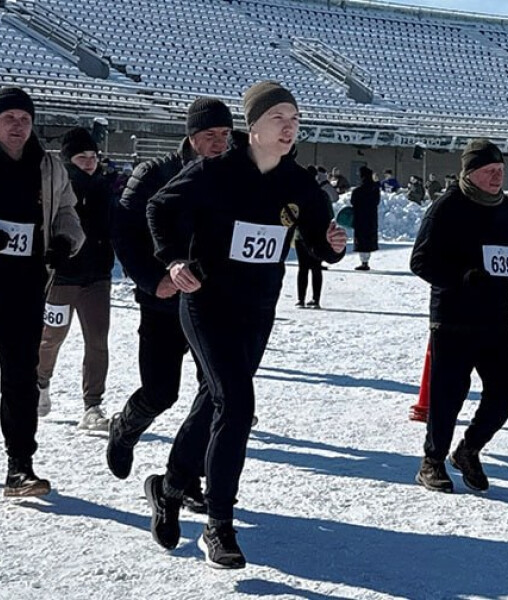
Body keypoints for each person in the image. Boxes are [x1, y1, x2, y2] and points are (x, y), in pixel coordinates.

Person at [144, 81, 347, 568]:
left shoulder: (300, 183)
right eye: (278, 117)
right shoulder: (216, 173)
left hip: (257, 311)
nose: (289, 126)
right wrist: (172, 262)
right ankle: (218, 525)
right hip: (206, 304)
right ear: (252, 126)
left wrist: (331, 246)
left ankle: (169, 487)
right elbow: (159, 209)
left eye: (295, 119)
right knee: (236, 403)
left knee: (215, 401)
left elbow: (317, 240)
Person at [107, 96, 233, 512]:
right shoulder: (154, 173)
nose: (219, 143)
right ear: (192, 136)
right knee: (162, 392)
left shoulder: (234, 177)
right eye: (209, 135)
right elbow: (123, 231)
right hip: (163, 302)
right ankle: (124, 428)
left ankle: (187, 476)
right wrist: (151, 279)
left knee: (213, 395)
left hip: (211, 306)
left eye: (225, 135)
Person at [409, 138, 508, 494]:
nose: (497, 177)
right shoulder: (446, 207)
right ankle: (432, 461)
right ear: (470, 172)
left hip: (494, 316)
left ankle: (469, 449)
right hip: (453, 318)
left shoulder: (507, 209)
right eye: (490, 171)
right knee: (449, 395)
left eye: (501, 171)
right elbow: (420, 261)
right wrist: (463, 276)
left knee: (505, 392)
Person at [0, 87, 85, 497]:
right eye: (9, 117)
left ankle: (20, 467)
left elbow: (67, 211)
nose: (17, 125)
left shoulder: (48, 167)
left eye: (24, 118)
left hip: (26, 288)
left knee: (20, 379)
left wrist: (66, 241)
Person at [34, 127, 114, 430]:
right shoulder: (54, 185)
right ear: (69, 159)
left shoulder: (105, 186)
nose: (91, 162)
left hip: (97, 277)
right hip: (63, 276)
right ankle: (40, 382)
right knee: (51, 336)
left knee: (97, 341)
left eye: (93, 156)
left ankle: (93, 404)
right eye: (83, 157)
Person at [297, 165, 336, 307]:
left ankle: (300, 299)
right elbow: (330, 214)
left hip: (301, 236)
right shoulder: (322, 194)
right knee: (316, 267)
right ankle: (316, 299)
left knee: (302, 268)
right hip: (319, 236)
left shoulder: (299, 194)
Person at [350, 166, 379, 271]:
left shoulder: (357, 191)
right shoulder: (374, 189)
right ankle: (366, 261)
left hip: (360, 219)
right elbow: (376, 202)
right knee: (368, 239)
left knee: (361, 241)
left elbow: (353, 202)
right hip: (371, 219)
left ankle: (363, 262)